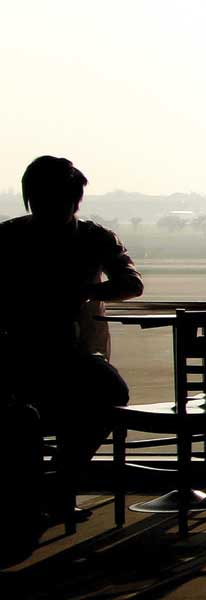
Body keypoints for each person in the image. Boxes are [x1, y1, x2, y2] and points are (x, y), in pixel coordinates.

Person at [0, 156, 141, 525]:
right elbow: (129, 283)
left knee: (102, 396)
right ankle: (58, 485)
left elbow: (132, 284)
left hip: (55, 355)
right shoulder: (92, 237)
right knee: (104, 398)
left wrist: (82, 291)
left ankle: (50, 487)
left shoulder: (10, 237)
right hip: (39, 354)